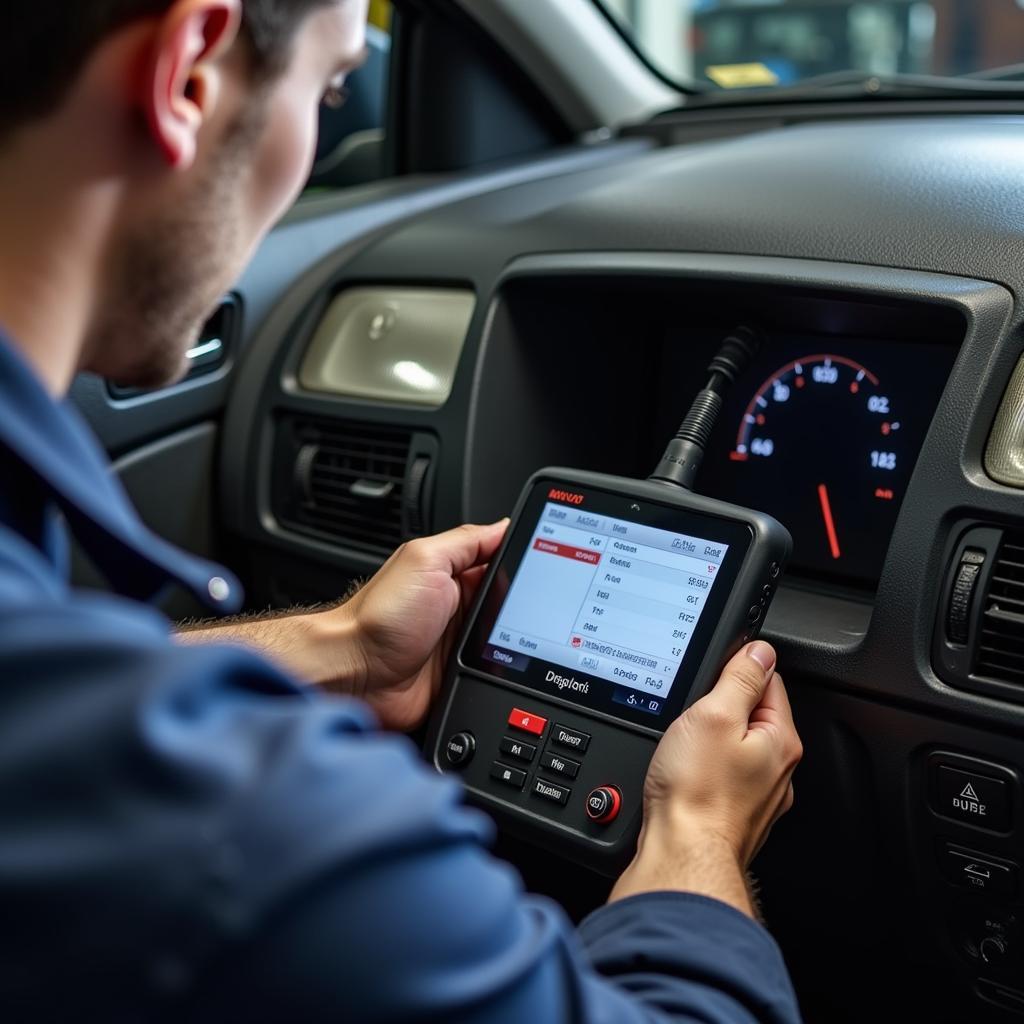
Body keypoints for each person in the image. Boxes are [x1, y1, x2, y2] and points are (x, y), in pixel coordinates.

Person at [0, 1, 804, 1021]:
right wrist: (696, 831)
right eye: (331, 91)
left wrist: (341, 644)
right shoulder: (250, 821)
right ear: (188, 76)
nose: (320, 140)